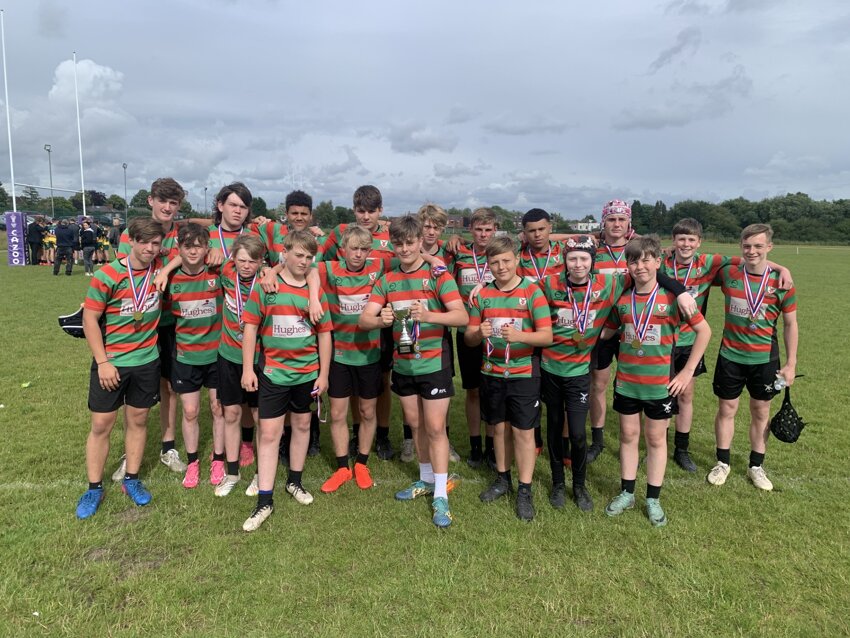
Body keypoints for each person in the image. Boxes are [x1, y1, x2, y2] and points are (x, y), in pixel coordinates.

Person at [359, 215, 468, 528]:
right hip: (403, 364)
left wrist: (430, 314)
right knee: (416, 424)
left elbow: (461, 317)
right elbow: (365, 319)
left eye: (410, 242)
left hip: (434, 363)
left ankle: (441, 493)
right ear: (393, 244)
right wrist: (382, 320)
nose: (404, 248)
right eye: (399, 243)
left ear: (421, 241)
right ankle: (424, 479)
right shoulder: (387, 279)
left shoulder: (437, 275)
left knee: (435, 428)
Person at [660, 218, 793, 472]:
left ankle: (682, 449)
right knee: (660, 395)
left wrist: (782, 268)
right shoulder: (661, 262)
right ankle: (660, 447)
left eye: (691, 239)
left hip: (691, 340)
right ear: (673, 240)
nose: (686, 244)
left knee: (686, 395)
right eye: (681, 239)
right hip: (662, 340)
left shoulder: (710, 262)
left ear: (699, 242)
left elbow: (751, 260)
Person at [599, 235, 711, 527]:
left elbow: (705, 332)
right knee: (627, 437)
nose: (640, 266)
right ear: (628, 265)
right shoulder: (622, 299)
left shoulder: (673, 298)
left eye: (647, 259)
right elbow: (605, 333)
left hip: (660, 384)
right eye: (634, 260)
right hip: (626, 382)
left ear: (659, 262)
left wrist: (686, 372)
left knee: (656, 439)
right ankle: (627, 492)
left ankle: (652, 498)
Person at [240, 231, 332, 532]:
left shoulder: (316, 293)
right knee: (269, 433)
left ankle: (294, 481)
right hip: (273, 373)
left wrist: (324, 374)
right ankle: (264, 499)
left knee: (303, 426)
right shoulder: (268, 288)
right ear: (285, 253)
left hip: (307, 374)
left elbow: (324, 335)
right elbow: (251, 329)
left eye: (308, 257)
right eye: (298, 255)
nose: (303, 261)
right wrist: (248, 369)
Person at [75, 218, 166, 519]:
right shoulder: (108, 274)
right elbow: (90, 320)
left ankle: (132, 480)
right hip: (111, 363)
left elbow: (191, 250)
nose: (151, 249)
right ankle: (94, 487)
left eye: (156, 244)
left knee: (138, 420)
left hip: (146, 362)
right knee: (102, 424)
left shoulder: (161, 272)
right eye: (145, 242)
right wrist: (103, 362)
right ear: (132, 242)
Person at [466, 236, 553, 521]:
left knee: (523, 432)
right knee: (498, 429)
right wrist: (479, 333)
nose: (501, 267)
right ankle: (503, 479)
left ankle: (525, 489)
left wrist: (519, 336)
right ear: (488, 265)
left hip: (523, 373)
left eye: (505, 260)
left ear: (516, 259)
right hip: (491, 372)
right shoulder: (482, 295)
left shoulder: (532, 292)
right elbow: (468, 338)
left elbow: (547, 336)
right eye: (494, 262)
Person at [707, 223, 798, 492]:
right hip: (730, 356)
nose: (752, 251)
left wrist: (791, 364)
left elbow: (790, 325)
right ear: (740, 247)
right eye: (747, 246)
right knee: (726, 409)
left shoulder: (783, 283)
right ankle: (723, 462)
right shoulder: (729, 273)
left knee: (761, 412)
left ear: (769, 247)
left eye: (759, 246)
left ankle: (756, 466)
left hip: (764, 359)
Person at [113, 178, 189, 479]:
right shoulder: (132, 234)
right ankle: (129, 452)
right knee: (130, 389)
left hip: (171, 321)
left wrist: (167, 268)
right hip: (138, 322)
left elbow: (191, 250)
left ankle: (168, 445)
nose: (167, 207)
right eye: (162, 201)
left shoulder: (182, 232)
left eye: (173, 203)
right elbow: (126, 268)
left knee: (169, 387)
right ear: (150, 200)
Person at [321, 185, 397, 461]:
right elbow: (318, 262)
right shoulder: (340, 233)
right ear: (354, 211)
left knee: (382, 381)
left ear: (381, 210)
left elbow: (408, 259)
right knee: (350, 384)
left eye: (371, 211)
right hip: (344, 329)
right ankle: (355, 435)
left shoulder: (391, 235)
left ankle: (384, 436)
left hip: (380, 322)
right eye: (361, 211)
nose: (366, 217)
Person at [317, 225, 385, 494]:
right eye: (353, 249)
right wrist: (270, 270)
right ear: (342, 249)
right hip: (339, 355)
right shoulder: (330, 269)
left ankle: (362, 463)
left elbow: (412, 255)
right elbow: (303, 269)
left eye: (363, 249)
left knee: (368, 411)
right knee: (337, 413)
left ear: (370, 250)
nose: (358, 254)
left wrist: (432, 259)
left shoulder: (378, 267)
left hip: (369, 354)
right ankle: (343, 466)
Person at [167, 223, 228, 491]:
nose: (193, 251)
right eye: (188, 246)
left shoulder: (219, 274)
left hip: (217, 355)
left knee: (218, 409)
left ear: (207, 248)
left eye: (199, 246)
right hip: (185, 356)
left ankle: (218, 459)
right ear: (179, 249)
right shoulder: (169, 280)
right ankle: (193, 463)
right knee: (190, 411)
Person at [444, 207, 498, 468]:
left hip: (497, 333)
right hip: (468, 331)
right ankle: (475, 445)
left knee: (492, 391)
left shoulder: (502, 254)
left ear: (495, 230)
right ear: (471, 230)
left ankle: (491, 447)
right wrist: (449, 242)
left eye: (488, 230)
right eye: (479, 229)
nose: (483, 235)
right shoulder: (459, 253)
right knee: (473, 391)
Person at [587, 199, 637, 463]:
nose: (616, 224)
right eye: (611, 219)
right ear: (603, 222)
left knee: (634, 385)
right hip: (602, 329)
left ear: (629, 222)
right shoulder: (594, 251)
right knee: (598, 384)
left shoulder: (637, 249)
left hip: (632, 327)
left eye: (621, 219)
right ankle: (597, 439)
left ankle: (634, 439)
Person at [217, 235, 265, 496]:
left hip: (259, 359)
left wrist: (273, 271)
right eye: (242, 260)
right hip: (228, 355)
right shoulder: (226, 271)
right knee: (232, 414)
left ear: (261, 261)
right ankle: (232, 473)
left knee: (260, 418)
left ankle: (260, 474)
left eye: (253, 261)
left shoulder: (268, 281)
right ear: (233, 258)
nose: (246, 266)